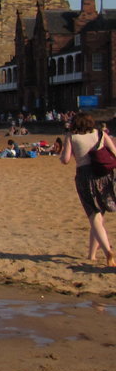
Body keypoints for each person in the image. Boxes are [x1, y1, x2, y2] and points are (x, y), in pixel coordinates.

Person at [60, 112, 116, 267]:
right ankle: (91, 255)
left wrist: (62, 156)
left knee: (94, 215)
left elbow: (65, 160)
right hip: (104, 175)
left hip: (85, 176)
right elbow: (114, 152)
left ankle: (107, 252)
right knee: (99, 216)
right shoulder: (100, 133)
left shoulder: (72, 136)